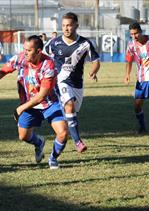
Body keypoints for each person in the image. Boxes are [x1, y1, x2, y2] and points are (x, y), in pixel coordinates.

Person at [0, 35, 68, 169]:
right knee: (23, 136)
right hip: (29, 105)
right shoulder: (20, 59)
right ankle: (39, 143)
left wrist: (20, 108)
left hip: (49, 103)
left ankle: (53, 158)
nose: (25, 53)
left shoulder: (49, 65)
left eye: (28, 50)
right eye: (24, 49)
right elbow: (2, 72)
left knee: (63, 133)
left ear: (38, 51)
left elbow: (41, 96)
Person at [44, 12, 100, 153]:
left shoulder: (85, 43)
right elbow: (42, 56)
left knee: (73, 110)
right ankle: (78, 142)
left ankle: (64, 127)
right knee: (69, 105)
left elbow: (96, 61)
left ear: (76, 25)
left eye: (69, 25)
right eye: (63, 26)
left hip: (77, 84)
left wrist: (93, 71)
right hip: (60, 81)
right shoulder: (54, 43)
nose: (66, 28)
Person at [125, 22, 149, 134]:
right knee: (137, 105)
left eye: (136, 33)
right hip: (142, 78)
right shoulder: (131, 45)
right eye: (131, 34)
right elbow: (129, 60)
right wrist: (127, 75)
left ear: (141, 31)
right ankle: (142, 127)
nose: (134, 36)